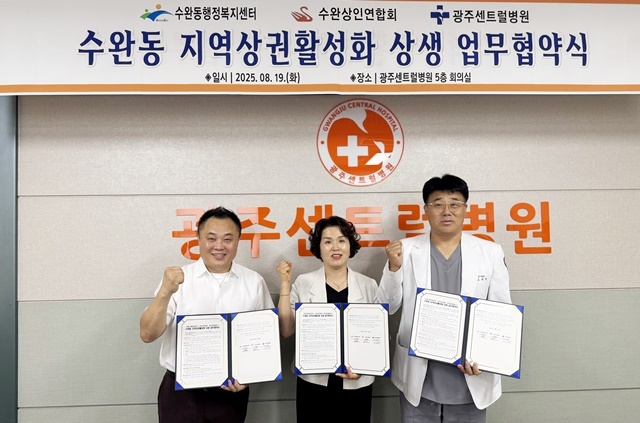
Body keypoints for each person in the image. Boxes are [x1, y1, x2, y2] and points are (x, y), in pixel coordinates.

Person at [377, 174, 511, 423]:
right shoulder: (404, 250)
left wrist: (489, 357)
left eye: (455, 204)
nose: (447, 211)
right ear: (426, 209)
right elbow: (386, 306)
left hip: (470, 372)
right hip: (419, 374)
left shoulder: (490, 252)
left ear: (465, 209)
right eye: (438, 204)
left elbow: (501, 312)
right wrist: (394, 269)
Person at [139, 206, 274, 423]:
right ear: (199, 239)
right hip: (180, 394)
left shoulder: (254, 282)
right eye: (211, 238)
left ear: (238, 241)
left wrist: (250, 375)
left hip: (231, 393)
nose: (219, 246)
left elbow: (266, 338)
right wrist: (165, 291)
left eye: (227, 239)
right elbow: (147, 334)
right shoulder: (178, 280)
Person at [276, 216, 378, 423]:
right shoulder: (303, 283)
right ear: (319, 247)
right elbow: (286, 330)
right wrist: (285, 284)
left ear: (350, 245)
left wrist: (364, 368)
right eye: (328, 241)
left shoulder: (369, 285)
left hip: (357, 382)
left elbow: (377, 338)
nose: (335, 247)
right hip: (313, 383)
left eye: (341, 240)